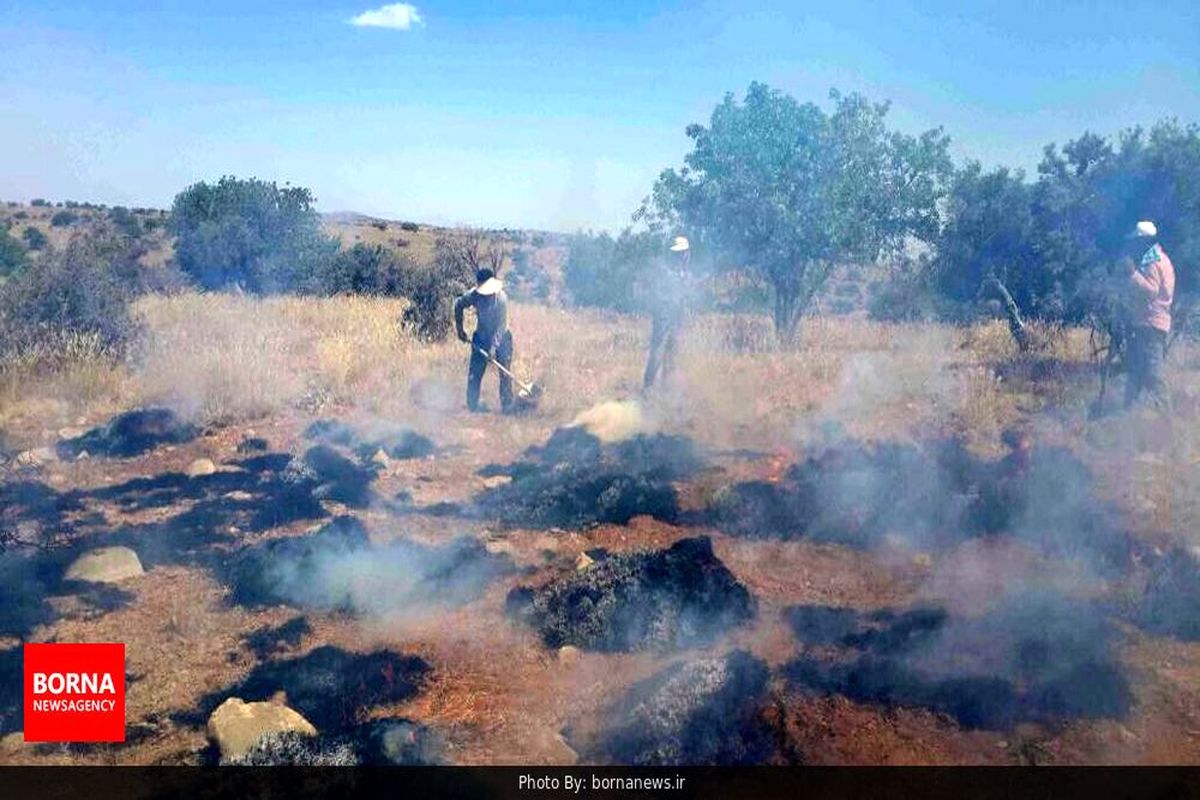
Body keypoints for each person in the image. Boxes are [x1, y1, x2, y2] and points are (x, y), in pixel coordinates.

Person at [1123, 220, 1175, 411]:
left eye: (1136, 241)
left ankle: (1168, 421)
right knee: (1136, 372)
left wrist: (1133, 273)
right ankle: (1126, 416)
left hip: (1150, 324)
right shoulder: (1163, 258)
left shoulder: (1152, 261)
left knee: (1153, 373)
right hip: (1152, 323)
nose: (1133, 245)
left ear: (1144, 241)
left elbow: (1150, 291)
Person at [454, 268, 514, 413]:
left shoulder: (501, 299)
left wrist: (493, 349)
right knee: (474, 373)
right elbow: (458, 305)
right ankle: (473, 405)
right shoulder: (474, 295)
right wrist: (460, 330)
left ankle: (507, 406)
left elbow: (501, 327)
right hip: (481, 337)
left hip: (502, 339)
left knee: (504, 373)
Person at [643, 235, 692, 392]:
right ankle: (648, 388)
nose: (682, 256)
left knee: (672, 353)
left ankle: (666, 390)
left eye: (683, 253)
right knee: (658, 352)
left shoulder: (683, 273)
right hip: (664, 316)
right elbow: (659, 294)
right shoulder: (667, 272)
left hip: (676, 316)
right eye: (680, 253)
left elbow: (685, 294)